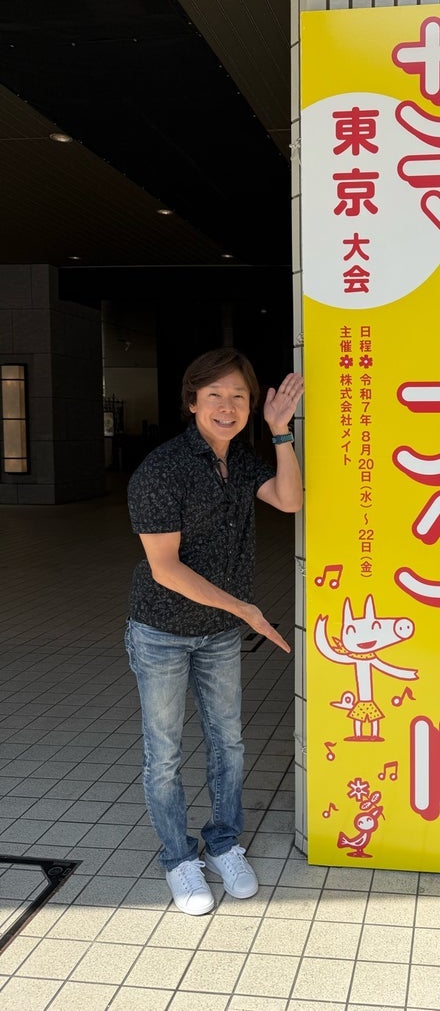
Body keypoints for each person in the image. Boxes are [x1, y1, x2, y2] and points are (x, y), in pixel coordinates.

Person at [124, 347, 303, 915]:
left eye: (239, 396)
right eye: (215, 395)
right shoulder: (162, 470)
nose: (228, 407)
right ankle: (179, 858)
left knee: (229, 742)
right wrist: (247, 611)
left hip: (219, 633)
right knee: (164, 753)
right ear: (192, 401)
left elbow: (290, 500)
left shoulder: (240, 462)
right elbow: (165, 569)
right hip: (162, 632)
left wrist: (281, 433)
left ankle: (224, 844)